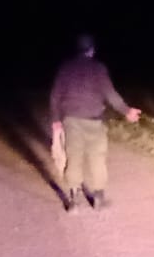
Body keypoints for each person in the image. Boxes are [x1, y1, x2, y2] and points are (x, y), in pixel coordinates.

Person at [49, 33, 141, 211]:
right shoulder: (98, 68)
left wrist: (55, 120)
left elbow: (55, 96)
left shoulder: (65, 68)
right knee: (97, 157)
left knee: (74, 157)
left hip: (71, 119)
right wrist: (127, 111)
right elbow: (110, 94)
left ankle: (74, 200)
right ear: (92, 50)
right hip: (94, 121)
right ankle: (98, 197)